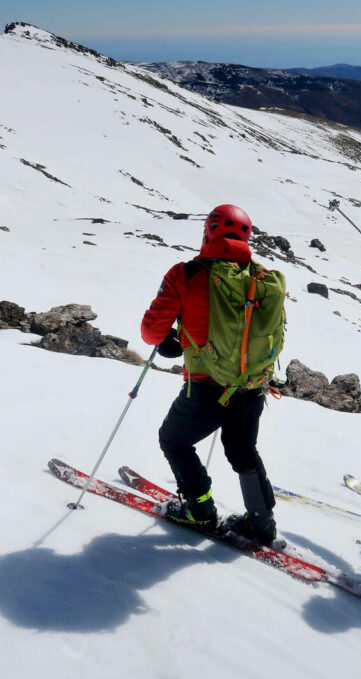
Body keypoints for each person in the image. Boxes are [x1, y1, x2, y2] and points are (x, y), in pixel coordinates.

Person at [140, 204, 278, 545]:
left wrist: (172, 341)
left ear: (208, 233)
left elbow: (151, 332)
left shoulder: (186, 274)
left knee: (174, 440)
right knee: (243, 450)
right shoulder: (261, 277)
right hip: (251, 386)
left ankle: (199, 509)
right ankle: (262, 522)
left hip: (206, 388)